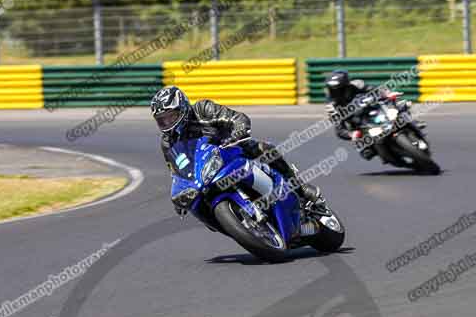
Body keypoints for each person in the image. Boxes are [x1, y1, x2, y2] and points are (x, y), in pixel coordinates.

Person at [150, 86, 324, 216]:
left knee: (265, 149)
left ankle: (300, 190)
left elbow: (237, 118)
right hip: (205, 171)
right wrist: (180, 197)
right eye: (162, 121)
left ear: (183, 107)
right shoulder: (167, 142)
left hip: (232, 149)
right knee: (196, 204)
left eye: (170, 116)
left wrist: (238, 132)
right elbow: (175, 171)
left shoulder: (202, 109)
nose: (167, 124)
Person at [324, 69, 392, 160]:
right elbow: (339, 130)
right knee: (366, 152)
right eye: (333, 90)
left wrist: (386, 94)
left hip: (373, 109)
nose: (336, 93)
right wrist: (351, 134)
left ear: (347, 85)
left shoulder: (357, 84)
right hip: (358, 124)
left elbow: (374, 89)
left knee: (399, 107)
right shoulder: (331, 106)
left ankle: (415, 125)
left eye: (340, 89)